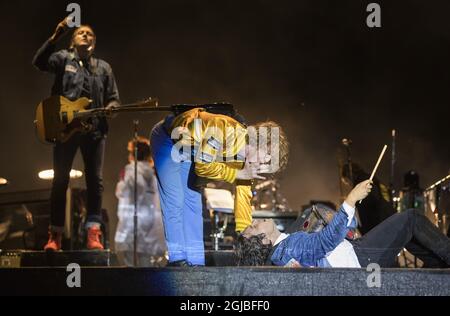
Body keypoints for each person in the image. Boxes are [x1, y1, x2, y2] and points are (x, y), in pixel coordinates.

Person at [151, 107, 289, 266]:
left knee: (194, 206)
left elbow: (243, 197)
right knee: (175, 200)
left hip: (188, 150)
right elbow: (202, 167)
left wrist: (245, 236)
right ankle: (177, 259)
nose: (262, 166)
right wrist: (237, 174)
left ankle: (196, 262)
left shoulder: (245, 162)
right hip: (167, 140)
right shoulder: (223, 128)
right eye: (265, 160)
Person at [33, 17, 120, 251]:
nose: (86, 35)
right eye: (81, 32)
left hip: (94, 131)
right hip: (65, 129)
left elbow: (113, 98)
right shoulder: (63, 58)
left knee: (95, 181)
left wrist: (111, 108)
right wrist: (56, 35)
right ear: (73, 40)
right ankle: (56, 235)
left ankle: (93, 232)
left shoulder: (103, 68)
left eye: (90, 34)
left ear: (94, 42)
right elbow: (39, 62)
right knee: (60, 180)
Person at [236, 180, 450, 268]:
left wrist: (345, 221)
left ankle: (438, 269)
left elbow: (325, 247)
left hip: (356, 252)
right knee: (411, 219)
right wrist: (351, 199)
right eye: (253, 227)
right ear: (263, 240)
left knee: (407, 230)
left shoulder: (284, 249)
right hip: (361, 259)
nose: (255, 221)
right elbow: (325, 242)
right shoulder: (289, 246)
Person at [115, 137, 167, 266]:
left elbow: (124, 192)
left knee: (130, 259)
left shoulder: (131, 171)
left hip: (133, 218)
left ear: (133, 154)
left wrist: (122, 183)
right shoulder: (153, 173)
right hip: (150, 218)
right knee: (146, 258)